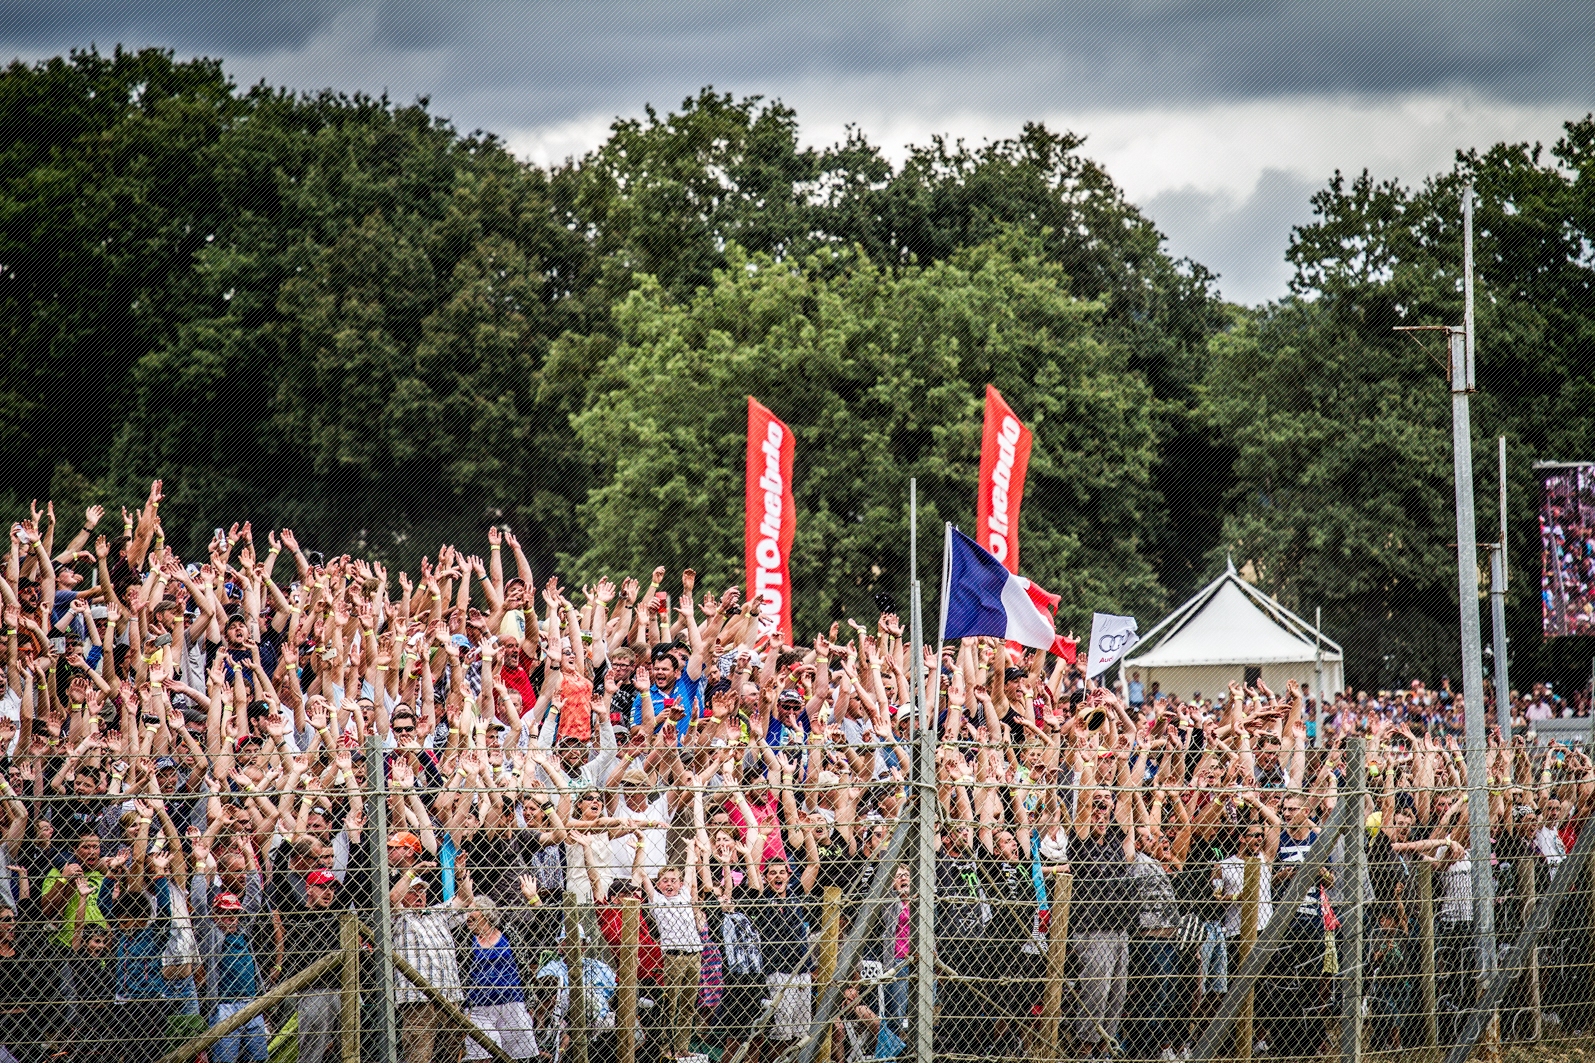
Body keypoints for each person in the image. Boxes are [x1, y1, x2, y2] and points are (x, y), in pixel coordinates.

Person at [207, 891, 268, 1063]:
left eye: (235, 913)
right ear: (215, 915)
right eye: (227, 914)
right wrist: (201, 871)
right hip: (225, 1005)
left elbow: (254, 899)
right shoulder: (211, 933)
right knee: (226, 1059)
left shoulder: (243, 931)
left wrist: (253, 870)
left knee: (259, 1058)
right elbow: (198, 903)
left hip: (251, 1002)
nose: (233, 919)